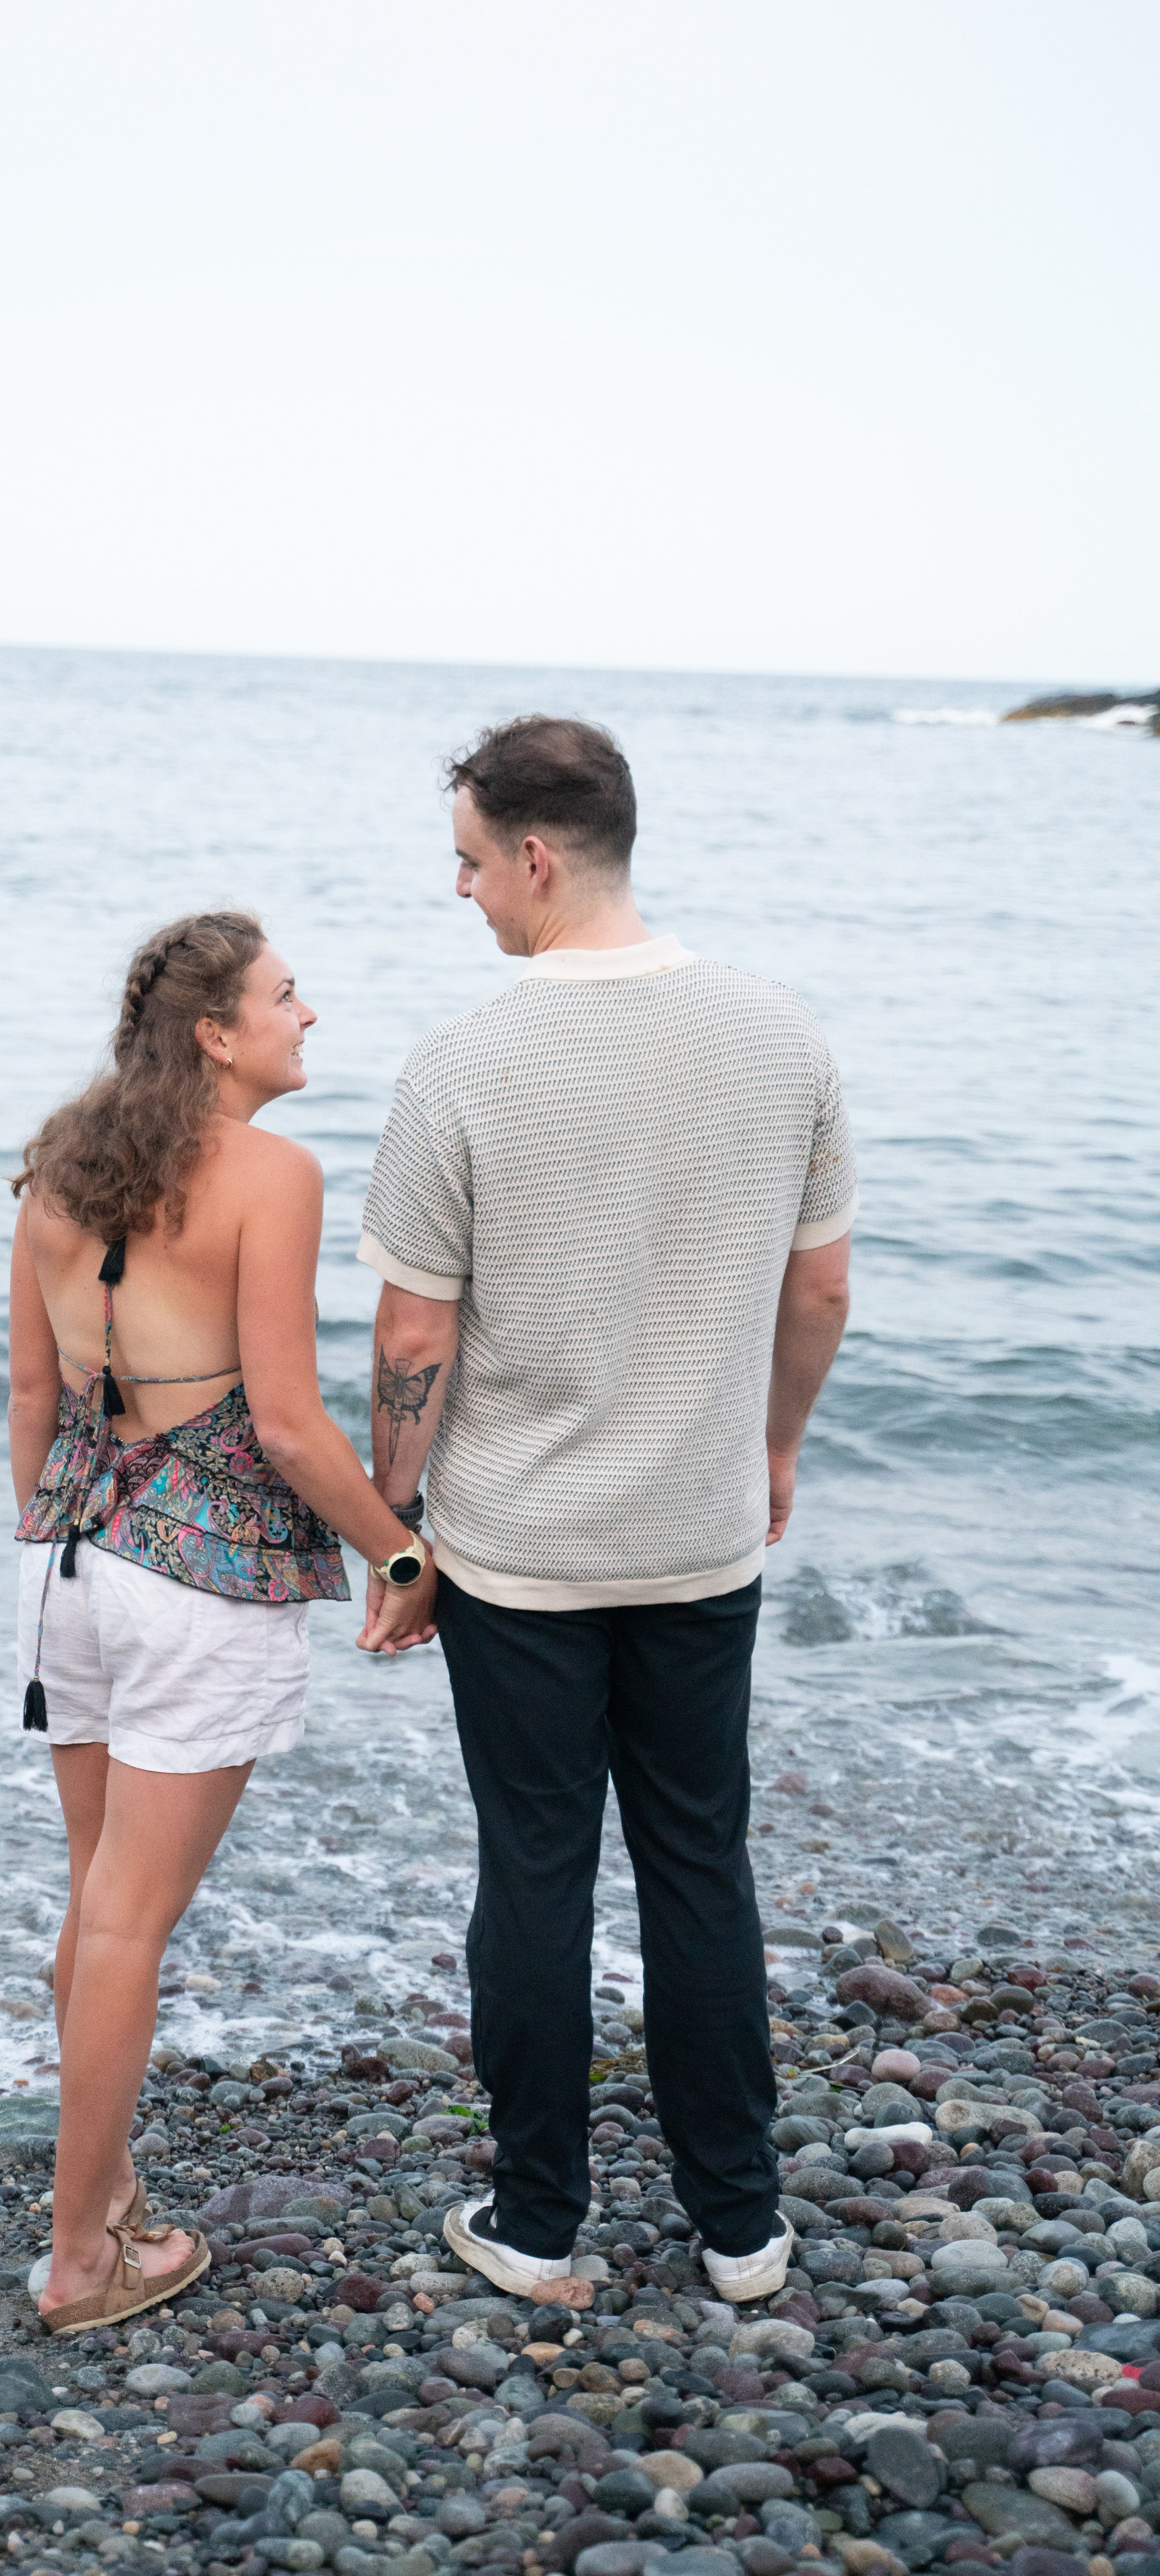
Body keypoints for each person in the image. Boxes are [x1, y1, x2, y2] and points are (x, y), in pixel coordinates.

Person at [357, 717, 855, 2309]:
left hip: (517, 1551)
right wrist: (769, 1450)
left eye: (461, 859)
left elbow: (411, 1338)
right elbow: (819, 1287)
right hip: (698, 1534)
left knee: (536, 1868)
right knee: (699, 1864)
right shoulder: (782, 1038)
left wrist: (393, 1523)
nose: (458, 892)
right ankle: (739, 2229)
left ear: (534, 856)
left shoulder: (462, 1065)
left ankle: (537, 2221)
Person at [9, 911, 438, 2336]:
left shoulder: (64, 1156)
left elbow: (31, 1398)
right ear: (214, 1030)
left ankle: (109, 2195)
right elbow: (289, 1423)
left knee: (96, 1900)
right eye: (283, 994)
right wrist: (397, 1557)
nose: (304, 1015)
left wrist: (59, 1542)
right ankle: (79, 2261)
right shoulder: (270, 1172)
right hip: (196, 1581)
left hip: (63, 1562)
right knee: (128, 1919)